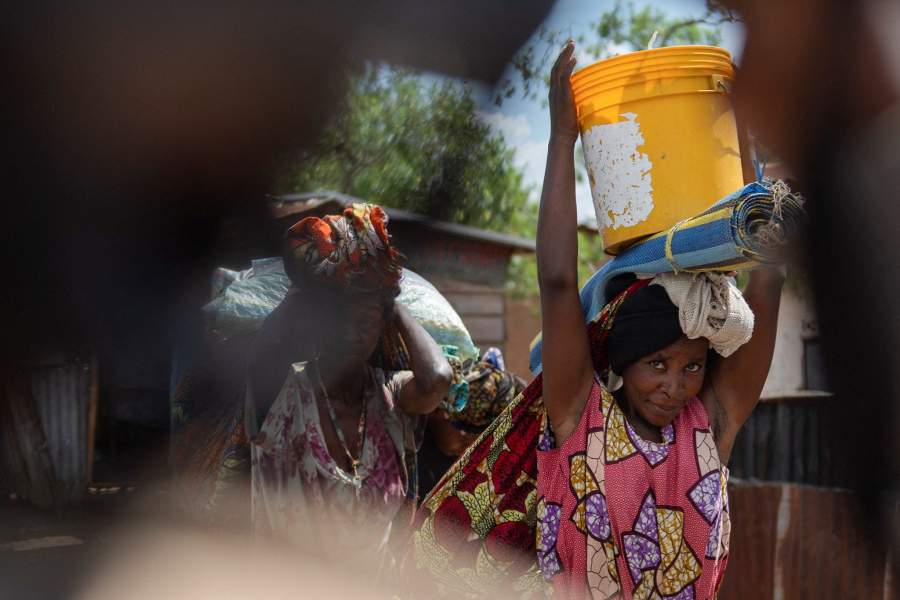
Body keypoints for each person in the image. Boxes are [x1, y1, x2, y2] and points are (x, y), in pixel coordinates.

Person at [533, 41, 784, 599]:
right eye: (657, 363)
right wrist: (562, 138)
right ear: (624, 359)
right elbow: (555, 283)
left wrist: (740, 128)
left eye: (693, 366)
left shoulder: (710, 429)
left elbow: (766, 271)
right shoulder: (580, 421)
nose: (675, 385)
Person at [246, 203, 452, 566]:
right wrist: (315, 284)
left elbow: (437, 379)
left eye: (367, 320)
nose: (353, 331)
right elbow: (262, 353)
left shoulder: (391, 396)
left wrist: (390, 302)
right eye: (339, 318)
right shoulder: (283, 393)